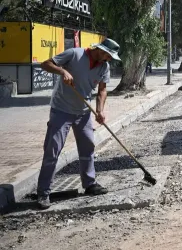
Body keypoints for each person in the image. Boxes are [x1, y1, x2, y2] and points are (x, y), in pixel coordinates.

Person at [36, 38, 121, 209]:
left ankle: (89, 184)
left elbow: (102, 90)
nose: (109, 59)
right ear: (100, 50)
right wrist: (62, 72)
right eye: (108, 55)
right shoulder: (75, 54)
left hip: (83, 112)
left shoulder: (104, 67)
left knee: (88, 146)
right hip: (61, 110)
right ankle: (43, 193)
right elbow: (45, 64)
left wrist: (100, 110)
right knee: (52, 149)